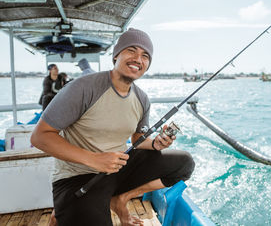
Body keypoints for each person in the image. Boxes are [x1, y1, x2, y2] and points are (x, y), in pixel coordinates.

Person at [31, 28, 195, 226]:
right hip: (77, 177)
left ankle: (120, 199)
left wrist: (156, 144)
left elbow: (136, 139)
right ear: (116, 55)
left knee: (184, 163)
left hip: (117, 168)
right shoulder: (83, 87)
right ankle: (66, 208)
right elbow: (39, 136)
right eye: (131, 51)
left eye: (145, 56)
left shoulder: (142, 99)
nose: (138, 59)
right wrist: (94, 159)